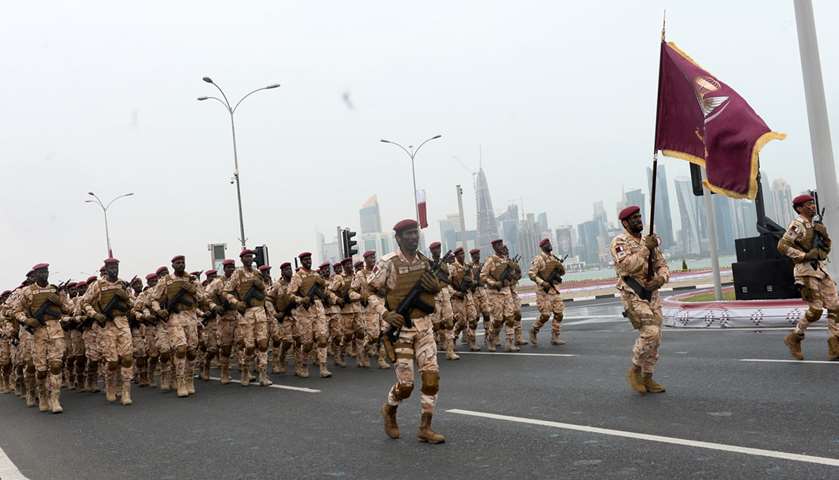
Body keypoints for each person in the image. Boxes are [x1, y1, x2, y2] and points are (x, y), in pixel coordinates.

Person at [371, 219, 446, 444]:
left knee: (431, 379)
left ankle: (425, 427)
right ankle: (390, 409)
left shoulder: (424, 261)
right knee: (406, 386)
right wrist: (385, 314)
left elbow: (432, 293)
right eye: (409, 234)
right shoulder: (388, 263)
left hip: (424, 327)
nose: (414, 237)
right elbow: (369, 292)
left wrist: (436, 288)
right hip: (401, 330)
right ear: (399, 238)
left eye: (416, 233)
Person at [610, 205, 669, 395]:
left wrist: (660, 279)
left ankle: (648, 376)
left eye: (639, 216)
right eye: (634, 218)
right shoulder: (619, 242)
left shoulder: (648, 240)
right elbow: (628, 266)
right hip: (633, 294)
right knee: (650, 332)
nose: (639, 220)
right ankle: (634, 370)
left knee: (656, 337)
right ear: (625, 223)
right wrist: (645, 249)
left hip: (651, 294)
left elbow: (662, 265)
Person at [778, 193, 839, 360]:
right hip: (806, 271)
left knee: (835, 307)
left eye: (813, 203)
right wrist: (804, 256)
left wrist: (824, 236)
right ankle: (795, 337)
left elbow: (826, 249)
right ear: (799, 208)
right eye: (808, 204)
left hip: (821, 270)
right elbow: (782, 246)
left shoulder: (816, 224)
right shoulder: (797, 225)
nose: (812, 206)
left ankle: (835, 346)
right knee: (816, 311)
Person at [14, 263, 74, 413]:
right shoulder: (27, 292)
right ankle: (42, 396)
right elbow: (17, 311)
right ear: (35, 274)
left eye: (46, 271)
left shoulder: (54, 290)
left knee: (55, 366)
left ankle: (54, 399)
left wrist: (59, 300)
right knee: (40, 370)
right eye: (41, 272)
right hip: (37, 334)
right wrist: (27, 320)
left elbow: (68, 309)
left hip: (55, 332)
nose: (44, 274)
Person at [81, 258, 136, 405]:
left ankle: (125, 391)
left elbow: (132, 304)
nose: (114, 270)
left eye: (116, 267)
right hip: (106, 326)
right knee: (112, 361)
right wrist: (95, 315)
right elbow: (84, 302)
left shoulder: (123, 285)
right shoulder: (97, 285)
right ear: (106, 268)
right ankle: (111, 386)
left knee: (127, 357)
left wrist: (126, 297)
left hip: (122, 323)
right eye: (111, 267)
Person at [152, 255, 207, 397]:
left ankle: (189, 380)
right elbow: (155, 300)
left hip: (191, 316)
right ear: (173, 265)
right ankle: (180, 381)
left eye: (183, 262)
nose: (181, 264)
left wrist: (193, 289)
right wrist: (159, 310)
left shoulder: (192, 280)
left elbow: (203, 298)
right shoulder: (165, 281)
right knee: (181, 348)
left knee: (192, 350)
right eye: (178, 262)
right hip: (174, 318)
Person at [223, 250, 271, 386]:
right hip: (246, 313)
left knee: (262, 343)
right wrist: (236, 302)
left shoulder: (257, 273)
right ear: (242, 259)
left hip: (260, 311)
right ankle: (245, 370)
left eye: (251, 256)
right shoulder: (237, 274)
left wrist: (261, 286)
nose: (249, 259)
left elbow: (265, 291)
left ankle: (263, 374)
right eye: (246, 257)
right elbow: (226, 291)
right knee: (249, 346)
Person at [287, 252, 333, 378]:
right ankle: (303, 366)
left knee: (322, 338)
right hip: (305, 312)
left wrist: (325, 289)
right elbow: (290, 294)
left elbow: (325, 290)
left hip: (318, 308)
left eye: (310, 259)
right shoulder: (297, 276)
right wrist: (301, 300)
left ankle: (323, 367)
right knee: (307, 343)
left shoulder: (316, 274)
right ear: (302, 261)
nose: (308, 261)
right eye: (306, 260)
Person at [480, 239, 519, 352]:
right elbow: (483, 276)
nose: (501, 246)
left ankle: (510, 342)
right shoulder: (490, 260)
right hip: (494, 293)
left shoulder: (506, 260)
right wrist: (493, 283)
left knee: (510, 317)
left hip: (506, 291)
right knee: (497, 319)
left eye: (501, 244)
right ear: (494, 247)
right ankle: (491, 338)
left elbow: (513, 274)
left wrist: (510, 278)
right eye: (498, 245)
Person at [528, 238, 567, 346]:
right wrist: (542, 282)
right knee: (545, 315)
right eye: (546, 244)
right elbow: (531, 274)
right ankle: (534, 330)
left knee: (559, 314)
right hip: (543, 292)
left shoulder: (554, 258)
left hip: (554, 291)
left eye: (549, 243)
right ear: (542, 247)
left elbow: (562, 272)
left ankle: (555, 336)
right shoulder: (539, 259)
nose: (549, 245)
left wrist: (559, 270)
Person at [429, 242, 459, 360]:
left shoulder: (445, 265)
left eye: (439, 248)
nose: (438, 251)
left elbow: (449, 280)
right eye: (435, 249)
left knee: (449, 322)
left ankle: (450, 351)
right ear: (431, 251)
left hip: (445, 294)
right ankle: (430, 350)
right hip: (435, 296)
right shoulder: (429, 265)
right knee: (435, 325)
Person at [268, 262, 295, 373]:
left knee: (300, 340)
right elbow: (268, 300)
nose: (289, 271)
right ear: (282, 272)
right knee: (287, 341)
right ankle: (280, 358)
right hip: (284, 317)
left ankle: (299, 365)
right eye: (287, 269)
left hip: (298, 315)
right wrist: (275, 313)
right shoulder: (277, 285)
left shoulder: (295, 283)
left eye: (290, 268)